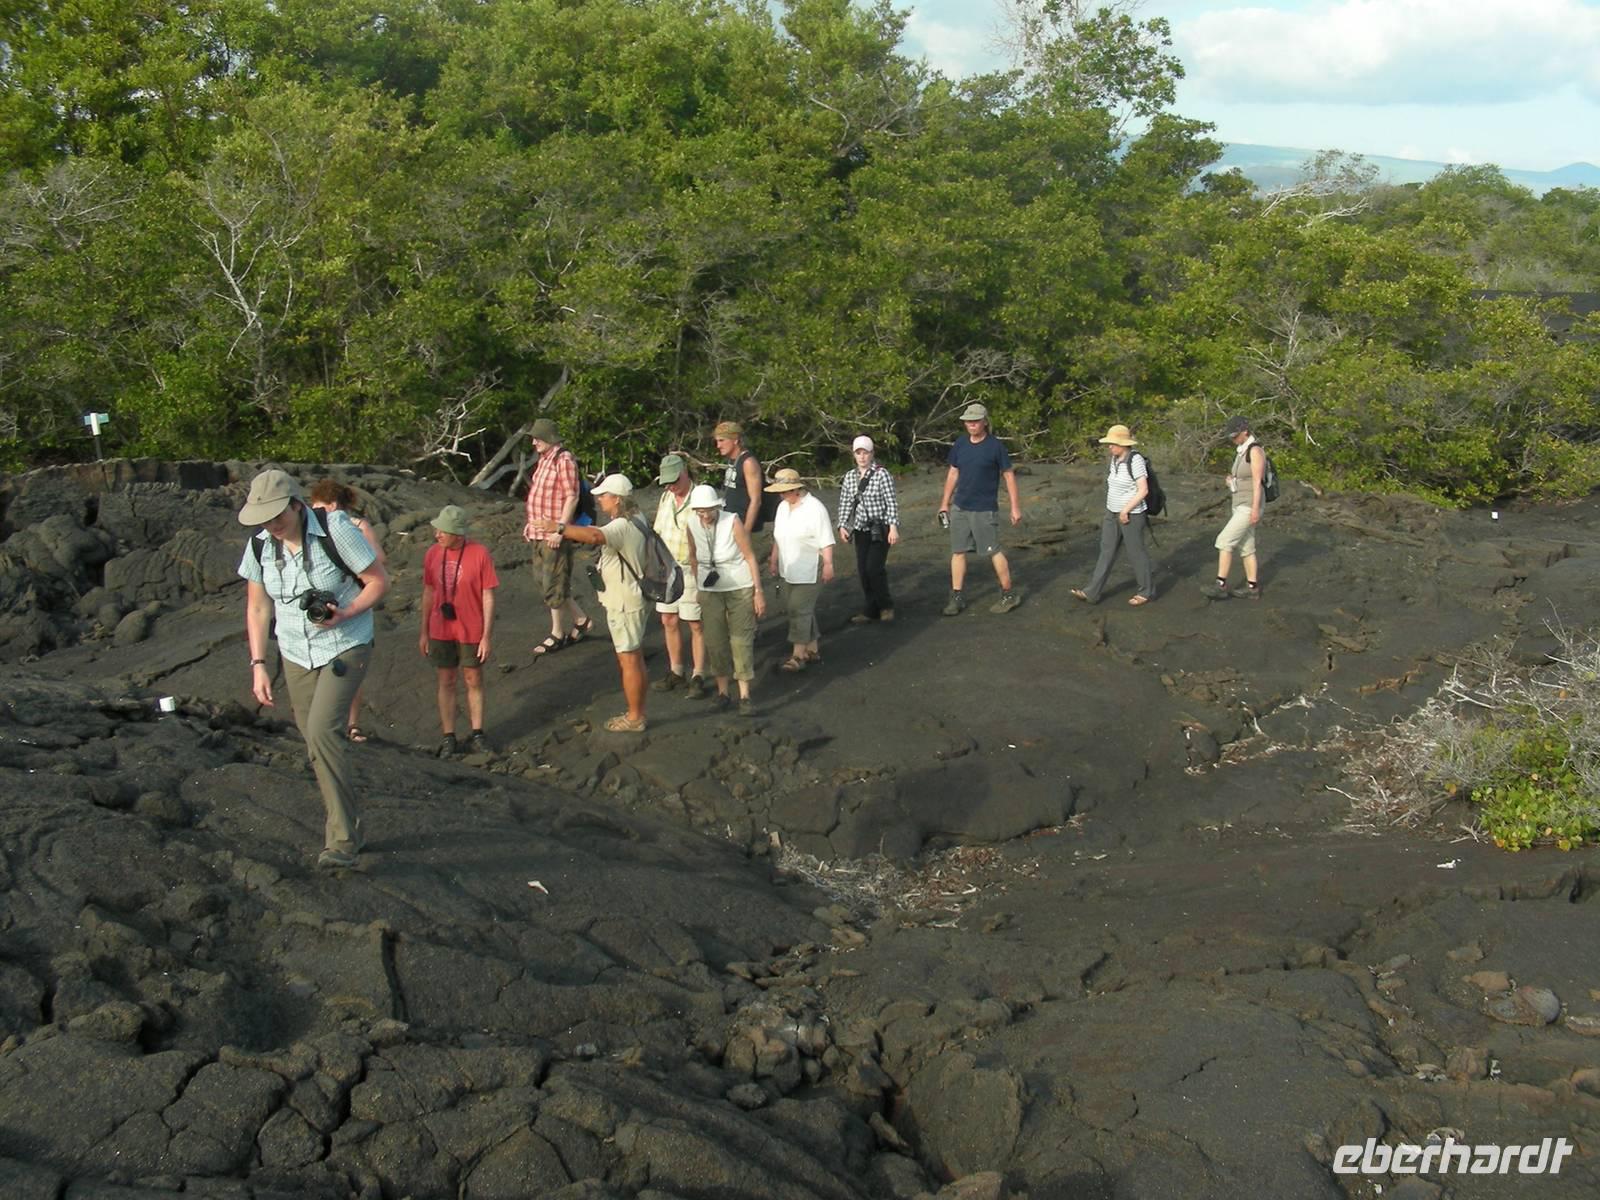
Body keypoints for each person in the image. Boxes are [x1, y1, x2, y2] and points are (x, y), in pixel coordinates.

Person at [238, 469, 389, 870]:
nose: (272, 524)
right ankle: (348, 824)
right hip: (294, 652)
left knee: (324, 732)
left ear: (295, 503)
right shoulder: (259, 546)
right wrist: (258, 665)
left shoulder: (335, 530)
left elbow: (377, 581)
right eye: (263, 519)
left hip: (346, 641)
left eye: (277, 515)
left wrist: (346, 613)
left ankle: (341, 840)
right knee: (313, 742)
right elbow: (257, 607)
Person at [529, 475, 649, 732]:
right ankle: (637, 712)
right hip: (633, 596)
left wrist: (558, 527)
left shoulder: (621, 527)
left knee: (628, 660)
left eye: (604, 495)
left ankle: (635, 717)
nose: (599, 499)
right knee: (635, 657)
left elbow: (594, 536)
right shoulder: (639, 518)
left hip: (623, 602)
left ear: (617, 499)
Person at [309, 479, 387, 742]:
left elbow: (379, 560)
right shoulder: (312, 530)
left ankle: (353, 724)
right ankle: (327, 723)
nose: (314, 512)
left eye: (319, 506)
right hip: (326, 603)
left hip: (353, 602)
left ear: (332, 505)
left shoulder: (357, 526)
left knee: (351, 668)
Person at [418, 504, 499, 757]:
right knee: (446, 679)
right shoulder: (433, 553)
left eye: (443, 530)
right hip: (441, 627)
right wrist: (423, 632)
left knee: (473, 678)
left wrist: (486, 635)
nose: (437, 534)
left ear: (458, 533)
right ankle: (448, 736)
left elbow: (488, 595)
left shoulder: (479, 553)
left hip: (471, 628)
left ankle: (477, 733)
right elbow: (428, 592)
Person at [687, 484, 766, 715]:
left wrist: (758, 591)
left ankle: (745, 695)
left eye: (709, 510)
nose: (705, 515)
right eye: (700, 511)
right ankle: (723, 693)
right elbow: (692, 557)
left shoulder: (732, 521)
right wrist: (698, 585)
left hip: (739, 585)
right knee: (714, 640)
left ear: (716, 506)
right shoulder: (692, 525)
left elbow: (750, 557)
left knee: (741, 638)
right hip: (710, 588)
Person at [937, 402, 1022, 616]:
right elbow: (953, 473)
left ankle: (1008, 594)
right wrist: (944, 503)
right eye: (968, 421)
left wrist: (1015, 507)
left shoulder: (996, 447)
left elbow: (1009, 476)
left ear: (985, 422)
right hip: (960, 507)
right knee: (957, 551)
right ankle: (956, 596)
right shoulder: (960, 444)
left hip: (985, 509)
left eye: (975, 420)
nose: (971, 424)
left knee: (993, 551)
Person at [521, 418, 594, 655]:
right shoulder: (544, 460)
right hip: (538, 530)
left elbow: (571, 496)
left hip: (554, 532)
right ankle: (581, 620)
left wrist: (560, 528)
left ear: (548, 438)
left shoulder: (564, 460)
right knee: (545, 581)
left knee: (552, 582)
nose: (534, 442)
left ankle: (557, 633)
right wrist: (530, 525)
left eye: (537, 438)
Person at [1071, 424, 1156, 607]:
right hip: (1112, 512)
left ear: (1123, 444)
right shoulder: (1114, 459)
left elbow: (1143, 490)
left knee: (1136, 553)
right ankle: (1091, 592)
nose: (1109, 446)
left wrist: (1125, 510)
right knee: (1106, 551)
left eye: (1112, 443)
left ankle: (1146, 591)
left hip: (1132, 514)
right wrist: (1114, 510)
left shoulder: (1136, 460)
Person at [766, 468, 835, 671]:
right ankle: (812, 649)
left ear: (796, 489)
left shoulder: (815, 508)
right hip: (789, 567)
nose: (781, 494)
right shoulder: (782, 508)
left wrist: (829, 565)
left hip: (811, 567)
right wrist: (773, 559)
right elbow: (779, 537)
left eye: (784, 490)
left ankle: (798, 655)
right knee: (798, 608)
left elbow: (826, 539)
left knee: (798, 608)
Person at [651, 453, 707, 698]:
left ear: (685, 472)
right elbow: (657, 531)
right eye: (667, 481)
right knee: (668, 620)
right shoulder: (666, 497)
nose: (670, 486)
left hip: (691, 568)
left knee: (695, 623)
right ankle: (676, 670)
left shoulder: (701, 497)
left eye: (673, 480)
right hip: (666, 569)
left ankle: (699, 673)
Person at [835, 435, 900, 623]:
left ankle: (886, 605)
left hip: (881, 527)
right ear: (854, 455)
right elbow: (845, 503)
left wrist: (893, 527)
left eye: (866, 452)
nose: (862, 457)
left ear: (872, 453)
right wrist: (842, 525)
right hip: (861, 529)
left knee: (874, 568)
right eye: (858, 453)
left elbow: (891, 503)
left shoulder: (882, 474)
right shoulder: (849, 477)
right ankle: (871, 608)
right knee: (863, 571)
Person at [1203, 415, 1266, 600]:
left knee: (1224, 541)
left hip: (1248, 505)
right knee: (1246, 546)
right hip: (1239, 503)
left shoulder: (1254, 451)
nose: (1232, 439)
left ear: (1245, 431)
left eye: (1235, 435)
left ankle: (1220, 584)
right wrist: (1232, 481)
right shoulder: (1242, 450)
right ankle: (1252, 587)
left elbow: (1257, 482)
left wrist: (1255, 509)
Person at [715, 420, 766, 534]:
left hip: (746, 527)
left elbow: (756, 500)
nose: (718, 446)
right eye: (717, 441)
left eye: (722, 440)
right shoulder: (732, 460)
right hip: (730, 524)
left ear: (735, 440)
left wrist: (746, 531)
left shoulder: (748, 462)